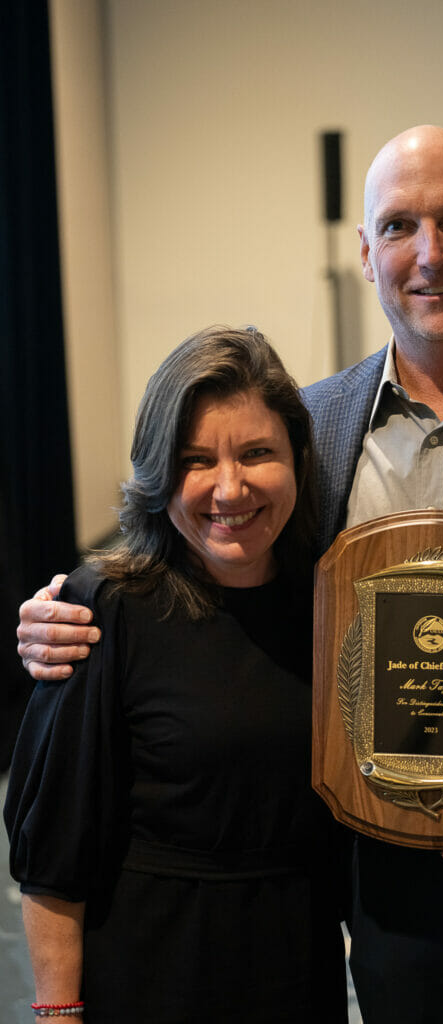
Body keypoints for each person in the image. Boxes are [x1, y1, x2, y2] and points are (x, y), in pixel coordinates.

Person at [15, 126, 443, 1023]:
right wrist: (64, 615)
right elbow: (211, 563)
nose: (429, 253)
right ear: (367, 255)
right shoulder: (311, 430)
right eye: (399, 226)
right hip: (390, 913)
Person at [6, 326, 348, 1023]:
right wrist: (57, 1014)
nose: (230, 488)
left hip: (294, 970)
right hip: (150, 967)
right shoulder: (105, 610)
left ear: (297, 461)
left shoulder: (335, 601)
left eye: (257, 453)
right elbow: (54, 854)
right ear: (160, 474)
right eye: (197, 460)